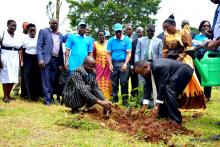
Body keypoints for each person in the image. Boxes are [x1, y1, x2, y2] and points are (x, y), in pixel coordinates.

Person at [162, 18, 206, 109]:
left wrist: (180, 57)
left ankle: (189, 104)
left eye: (168, 28)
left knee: (186, 81)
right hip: (171, 60)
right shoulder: (166, 35)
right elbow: (165, 50)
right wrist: (162, 61)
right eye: (165, 28)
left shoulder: (183, 32)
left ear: (174, 25)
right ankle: (174, 103)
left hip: (184, 58)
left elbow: (189, 48)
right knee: (171, 82)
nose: (166, 30)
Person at [134, 59, 194, 124]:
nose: (142, 75)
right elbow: (147, 87)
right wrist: (144, 106)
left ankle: (176, 119)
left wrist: (156, 107)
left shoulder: (159, 66)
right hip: (174, 73)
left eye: (141, 73)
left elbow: (162, 86)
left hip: (184, 70)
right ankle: (163, 113)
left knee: (169, 90)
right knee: (164, 90)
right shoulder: (146, 71)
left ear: (145, 67)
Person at [37, 19, 64, 106]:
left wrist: (60, 63)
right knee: (46, 80)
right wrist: (40, 59)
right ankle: (47, 101)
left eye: (56, 23)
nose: (55, 25)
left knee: (52, 81)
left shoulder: (60, 35)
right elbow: (39, 46)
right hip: (46, 60)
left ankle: (51, 98)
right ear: (49, 23)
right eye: (53, 23)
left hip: (56, 60)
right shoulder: (43, 31)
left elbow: (61, 50)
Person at [107, 23, 132, 106]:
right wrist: (110, 64)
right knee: (114, 83)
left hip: (123, 63)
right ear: (114, 32)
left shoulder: (127, 40)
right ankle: (115, 99)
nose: (118, 33)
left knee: (124, 82)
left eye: (120, 32)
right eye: (117, 32)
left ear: (122, 31)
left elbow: (128, 53)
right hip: (114, 63)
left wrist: (125, 63)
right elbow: (109, 54)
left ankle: (125, 100)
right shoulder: (111, 40)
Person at [0, 20, 23, 103]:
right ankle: (5, 96)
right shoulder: (3, 33)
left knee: (13, 75)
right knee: (5, 75)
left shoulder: (17, 36)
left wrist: (21, 60)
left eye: (15, 26)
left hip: (15, 56)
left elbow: (20, 47)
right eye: (12, 25)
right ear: (7, 25)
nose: (13, 27)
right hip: (5, 55)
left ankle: (9, 95)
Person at [193, 20, 213, 101]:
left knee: (207, 76)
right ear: (200, 28)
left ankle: (207, 96)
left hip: (208, 58)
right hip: (198, 58)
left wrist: (210, 38)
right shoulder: (197, 37)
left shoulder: (212, 36)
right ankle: (199, 94)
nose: (206, 27)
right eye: (204, 26)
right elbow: (194, 46)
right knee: (198, 76)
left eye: (208, 26)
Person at [22, 23, 42, 101]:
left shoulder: (38, 38)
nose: (33, 32)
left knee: (36, 77)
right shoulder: (24, 38)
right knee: (28, 77)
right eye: (31, 30)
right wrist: (22, 61)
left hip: (36, 58)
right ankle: (28, 95)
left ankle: (36, 95)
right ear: (28, 30)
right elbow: (22, 50)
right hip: (27, 58)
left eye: (34, 30)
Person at [92, 30, 112, 100]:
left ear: (104, 36)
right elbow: (93, 55)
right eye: (100, 35)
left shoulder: (108, 43)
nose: (101, 36)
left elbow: (110, 54)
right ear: (97, 36)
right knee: (98, 80)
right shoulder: (95, 44)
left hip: (107, 67)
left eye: (102, 35)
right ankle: (98, 97)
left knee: (107, 81)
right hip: (98, 67)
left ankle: (107, 98)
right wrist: (93, 66)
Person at [13, 21, 29, 97]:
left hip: (28, 58)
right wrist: (21, 60)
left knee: (26, 75)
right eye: (25, 26)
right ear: (22, 27)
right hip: (20, 57)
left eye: (28, 26)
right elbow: (19, 48)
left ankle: (25, 91)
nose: (27, 27)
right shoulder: (20, 36)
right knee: (19, 75)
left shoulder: (30, 35)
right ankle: (16, 90)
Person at [129, 26, 143, 98]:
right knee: (134, 81)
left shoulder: (145, 41)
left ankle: (142, 96)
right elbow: (131, 55)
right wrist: (131, 65)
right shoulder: (133, 42)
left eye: (139, 32)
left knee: (143, 81)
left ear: (142, 33)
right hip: (135, 65)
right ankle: (134, 96)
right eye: (137, 32)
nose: (138, 33)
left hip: (143, 65)